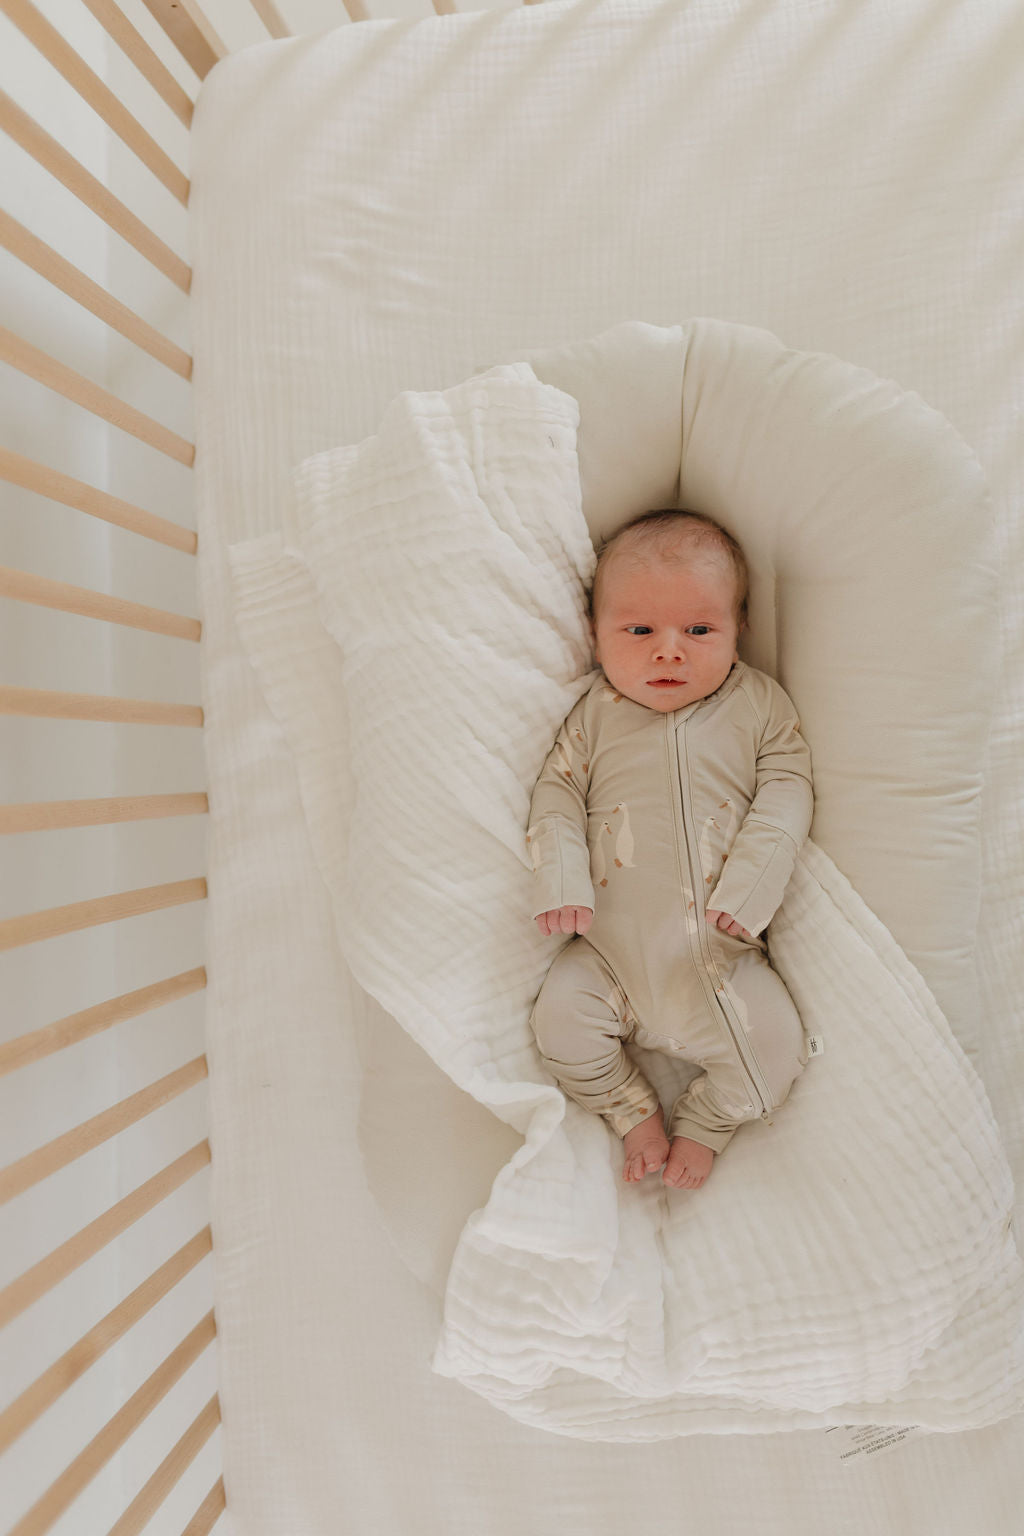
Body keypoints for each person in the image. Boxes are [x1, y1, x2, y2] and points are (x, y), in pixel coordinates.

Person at [526, 509, 813, 1190]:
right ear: (595, 635)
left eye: (700, 630)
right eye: (638, 630)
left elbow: (787, 790)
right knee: (558, 1024)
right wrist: (560, 876)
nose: (669, 650)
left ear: (739, 629)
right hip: (607, 960)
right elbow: (556, 794)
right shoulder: (593, 715)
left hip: (720, 962)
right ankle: (631, 1112)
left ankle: (706, 1123)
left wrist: (752, 889)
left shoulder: (758, 706)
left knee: (778, 1053)